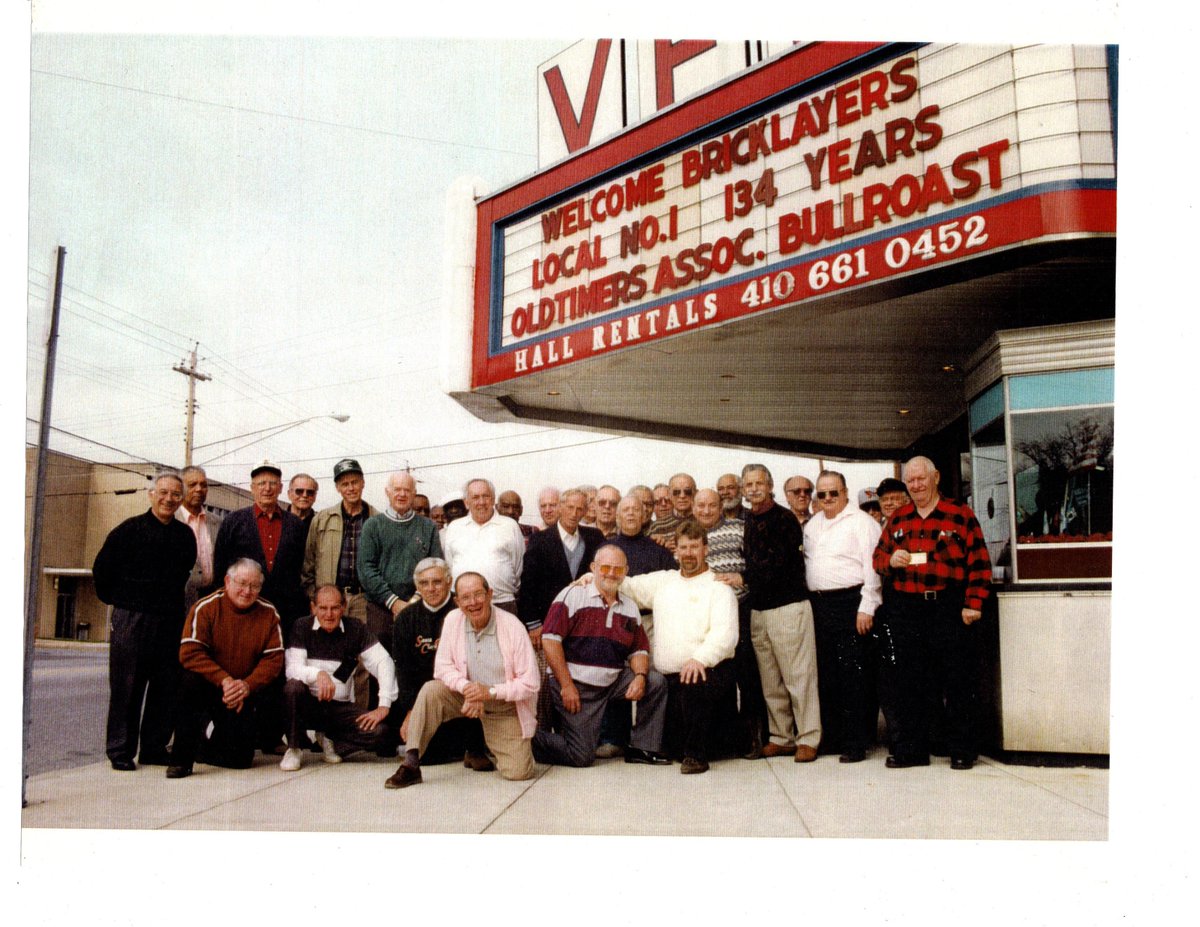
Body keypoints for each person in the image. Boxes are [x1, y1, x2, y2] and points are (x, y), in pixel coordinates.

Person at [872, 456, 992, 771]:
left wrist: (973, 603)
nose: (916, 486)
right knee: (909, 682)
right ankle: (913, 751)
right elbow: (878, 557)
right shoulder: (897, 518)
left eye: (921, 479)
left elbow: (979, 563)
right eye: (910, 481)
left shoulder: (960, 515)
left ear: (935, 477)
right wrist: (890, 560)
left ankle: (963, 749)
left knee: (957, 680)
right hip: (908, 609)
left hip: (948, 606)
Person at [384, 573, 539, 788]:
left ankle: (495, 746)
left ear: (490, 594)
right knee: (431, 690)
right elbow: (442, 668)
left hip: (502, 705)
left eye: (478, 595)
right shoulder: (453, 620)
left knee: (519, 772)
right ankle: (410, 765)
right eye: (466, 597)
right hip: (466, 696)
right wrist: (468, 688)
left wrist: (490, 692)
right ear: (457, 602)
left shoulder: (512, 626)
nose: (473, 602)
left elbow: (530, 683)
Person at [93, 471, 197, 771]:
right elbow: (102, 571)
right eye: (163, 492)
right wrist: (123, 603)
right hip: (132, 619)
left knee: (165, 686)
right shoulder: (129, 530)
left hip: (170, 619)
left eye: (175, 495)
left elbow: (184, 572)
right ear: (151, 494)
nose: (168, 499)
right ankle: (120, 751)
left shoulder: (183, 535)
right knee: (127, 686)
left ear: (181, 499)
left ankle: (153, 747)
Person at [532, 545, 670, 767]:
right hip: (576, 685)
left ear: (625, 572)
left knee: (655, 682)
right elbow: (550, 640)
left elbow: (639, 649)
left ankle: (643, 747)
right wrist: (566, 686)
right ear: (593, 568)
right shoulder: (573, 595)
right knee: (581, 756)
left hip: (611, 683)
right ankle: (523, 738)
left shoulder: (630, 607)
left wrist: (640, 676)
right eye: (605, 567)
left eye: (618, 569)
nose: (611, 574)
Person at [619, 521, 739, 774]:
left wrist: (698, 659)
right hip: (671, 678)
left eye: (694, 547)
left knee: (693, 681)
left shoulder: (718, 587)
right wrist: (592, 577)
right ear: (676, 551)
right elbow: (626, 585)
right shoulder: (665, 582)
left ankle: (696, 757)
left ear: (705, 549)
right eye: (683, 547)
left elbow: (725, 636)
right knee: (671, 746)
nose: (688, 553)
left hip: (708, 672)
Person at [166, 559, 285, 778]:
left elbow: (274, 661)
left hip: (243, 690)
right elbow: (190, 652)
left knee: (239, 761)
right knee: (188, 681)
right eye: (241, 583)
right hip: (210, 685)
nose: (247, 591)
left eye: (254, 585)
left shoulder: (269, 613)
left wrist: (246, 686)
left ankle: (206, 746)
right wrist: (225, 680)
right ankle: (181, 759)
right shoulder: (206, 607)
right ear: (227, 581)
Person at [741, 463, 821, 762]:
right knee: (771, 680)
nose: (753, 489)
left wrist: (745, 578)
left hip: (787, 606)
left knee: (798, 677)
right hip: (759, 610)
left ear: (770, 484)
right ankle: (781, 736)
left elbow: (777, 564)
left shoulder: (785, 519)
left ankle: (809, 737)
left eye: (758, 483)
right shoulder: (749, 519)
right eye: (748, 484)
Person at [804, 470, 883, 763]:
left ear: (845, 493)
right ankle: (835, 737)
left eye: (833, 493)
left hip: (852, 602)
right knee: (828, 673)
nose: (827, 499)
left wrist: (867, 605)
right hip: (821, 605)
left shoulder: (862, 523)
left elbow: (873, 566)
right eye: (821, 494)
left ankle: (856, 742)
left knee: (854, 674)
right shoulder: (813, 525)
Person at [279, 585, 398, 771]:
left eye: (334, 608)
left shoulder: (356, 628)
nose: (329, 614)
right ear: (313, 608)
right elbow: (292, 669)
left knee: (381, 733)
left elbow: (383, 662)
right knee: (293, 687)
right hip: (308, 704)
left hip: (338, 709)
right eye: (323, 608)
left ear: (343, 606)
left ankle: (332, 742)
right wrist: (318, 674)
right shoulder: (301, 626)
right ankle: (294, 748)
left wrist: (384, 704)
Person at [391, 558, 490, 769]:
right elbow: (403, 671)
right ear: (417, 587)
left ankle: (474, 746)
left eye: (437, 582)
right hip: (425, 701)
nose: (431, 588)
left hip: (461, 698)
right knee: (423, 756)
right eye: (424, 583)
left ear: (449, 582)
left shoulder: (466, 610)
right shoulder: (406, 618)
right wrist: (411, 711)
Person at [519, 488, 604, 727]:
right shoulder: (541, 540)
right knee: (547, 678)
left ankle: (574, 729)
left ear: (586, 511)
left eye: (580, 509)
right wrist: (534, 624)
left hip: (582, 623)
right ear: (560, 507)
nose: (574, 513)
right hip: (548, 623)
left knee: (577, 675)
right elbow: (528, 585)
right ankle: (543, 730)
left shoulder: (594, 537)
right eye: (569, 507)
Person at [694, 487, 766, 757]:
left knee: (747, 674)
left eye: (711, 505)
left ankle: (752, 739)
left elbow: (759, 564)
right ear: (693, 507)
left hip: (740, 609)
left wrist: (742, 578)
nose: (705, 510)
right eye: (700, 505)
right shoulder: (690, 533)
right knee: (717, 676)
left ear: (720, 506)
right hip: (706, 616)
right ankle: (722, 738)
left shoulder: (740, 528)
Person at [212, 460, 309, 638]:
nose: (267, 488)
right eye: (261, 483)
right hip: (244, 606)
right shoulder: (233, 521)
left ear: (280, 488)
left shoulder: (296, 525)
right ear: (252, 488)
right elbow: (220, 567)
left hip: (285, 611)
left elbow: (303, 567)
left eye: (272, 483)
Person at [440, 478, 525, 613]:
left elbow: (518, 566)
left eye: (486, 496)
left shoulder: (510, 526)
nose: (481, 502)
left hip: (502, 603)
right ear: (466, 502)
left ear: (493, 500)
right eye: (475, 497)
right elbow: (450, 564)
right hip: (464, 605)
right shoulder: (454, 528)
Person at [176, 465, 221, 617]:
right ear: (181, 488)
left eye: (203, 485)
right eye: (192, 485)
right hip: (179, 605)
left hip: (212, 601)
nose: (199, 489)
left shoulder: (217, 522)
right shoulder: (171, 521)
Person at [647, 472, 696, 550]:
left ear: (695, 493)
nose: (682, 496)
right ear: (670, 495)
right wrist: (663, 550)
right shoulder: (657, 527)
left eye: (687, 492)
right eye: (676, 492)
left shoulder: (704, 520)